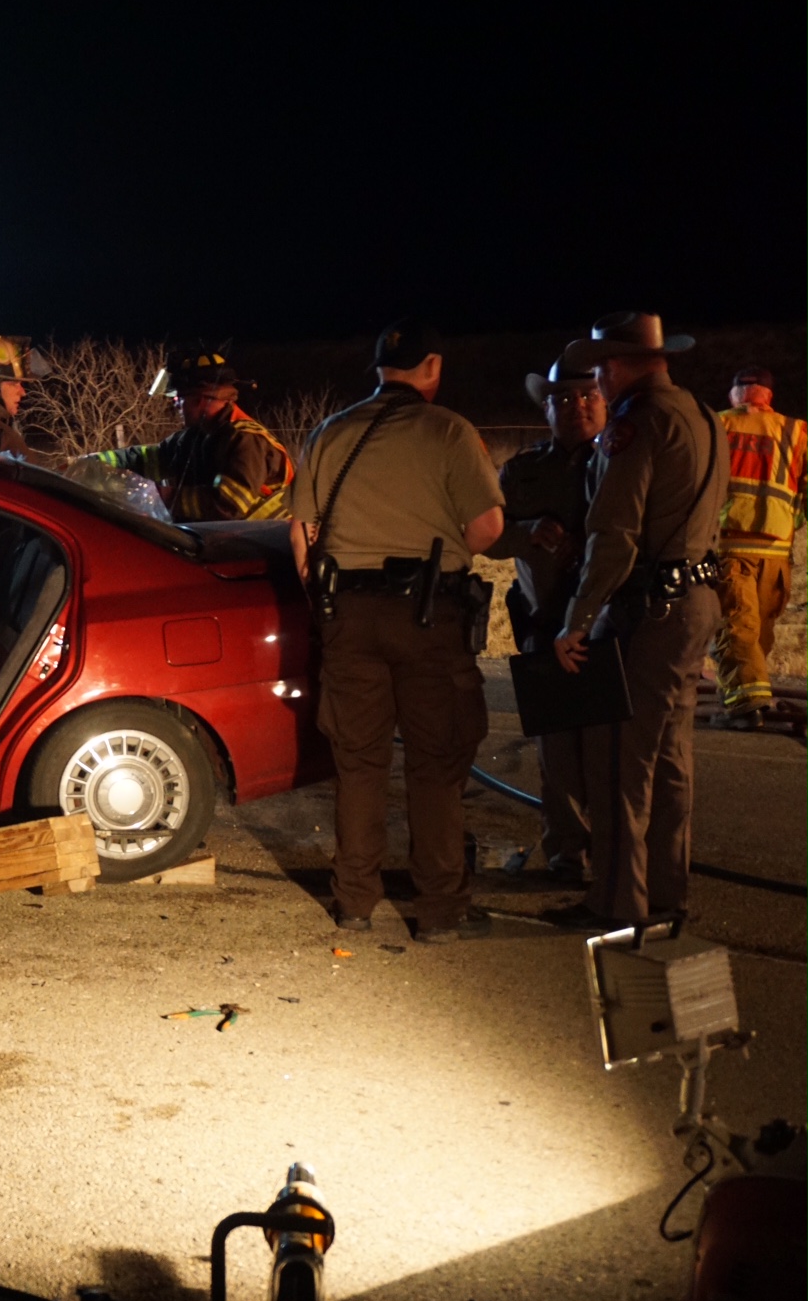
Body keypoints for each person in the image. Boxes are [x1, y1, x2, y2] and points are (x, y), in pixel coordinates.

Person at [286, 318, 503, 943]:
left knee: (358, 762)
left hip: (347, 615)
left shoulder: (333, 431)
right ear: (431, 367)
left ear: (378, 369)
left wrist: (321, 593)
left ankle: (354, 899)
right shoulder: (447, 430)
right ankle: (439, 910)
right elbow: (487, 525)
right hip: (427, 615)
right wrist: (443, 552)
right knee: (435, 763)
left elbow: (299, 532)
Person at [549, 312, 722, 930]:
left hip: (647, 611)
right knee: (671, 757)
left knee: (621, 761)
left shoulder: (635, 424)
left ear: (616, 365)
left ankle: (617, 904)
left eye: (599, 369)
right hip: (693, 600)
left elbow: (615, 532)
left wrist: (578, 618)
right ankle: (670, 892)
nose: (597, 381)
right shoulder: (701, 415)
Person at [486, 359, 607, 883]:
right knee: (556, 754)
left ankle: (613, 856)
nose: (575, 407)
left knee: (607, 751)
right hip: (542, 623)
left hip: (607, 628)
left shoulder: (621, 461)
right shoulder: (521, 470)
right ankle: (566, 855)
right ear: (546, 408)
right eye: (562, 398)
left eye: (587, 396)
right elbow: (485, 534)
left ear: (604, 400)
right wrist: (526, 533)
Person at [75, 350, 294, 521]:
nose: (175, 405)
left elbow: (227, 505)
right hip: (228, 548)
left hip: (265, 553)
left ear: (201, 399)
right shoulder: (196, 437)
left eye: (179, 399)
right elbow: (148, 458)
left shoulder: (246, 440)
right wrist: (89, 464)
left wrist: (163, 495)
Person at [709, 365, 808, 725]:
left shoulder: (716, 425)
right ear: (768, 396)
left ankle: (746, 706)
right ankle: (749, 701)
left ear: (735, 393)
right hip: (777, 553)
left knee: (737, 627)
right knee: (758, 631)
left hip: (728, 546)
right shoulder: (796, 431)